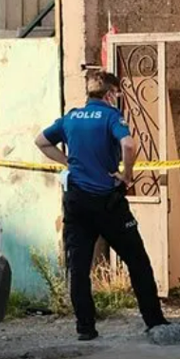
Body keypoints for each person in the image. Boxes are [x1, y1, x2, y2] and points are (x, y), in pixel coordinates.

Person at [35, 70, 170, 341]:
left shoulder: (71, 117)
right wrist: (127, 175)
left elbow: (41, 141)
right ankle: (154, 320)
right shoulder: (111, 116)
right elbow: (128, 145)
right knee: (137, 260)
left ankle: (85, 327)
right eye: (117, 93)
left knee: (79, 268)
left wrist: (68, 162)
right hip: (108, 201)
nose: (117, 98)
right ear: (109, 94)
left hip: (77, 201)